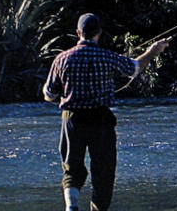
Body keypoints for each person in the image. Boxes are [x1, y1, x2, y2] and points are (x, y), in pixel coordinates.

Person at [43, 13, 170, 211]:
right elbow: (135, 68)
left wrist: (62, 94)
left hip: (72, 119)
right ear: (99, 33)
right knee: (103, 172)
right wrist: (153, 51)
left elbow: (49, 93)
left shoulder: (62, 59)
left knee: (72, 168)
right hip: (101, 120)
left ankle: (71, 207)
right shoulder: (108, 57)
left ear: (78, 32)